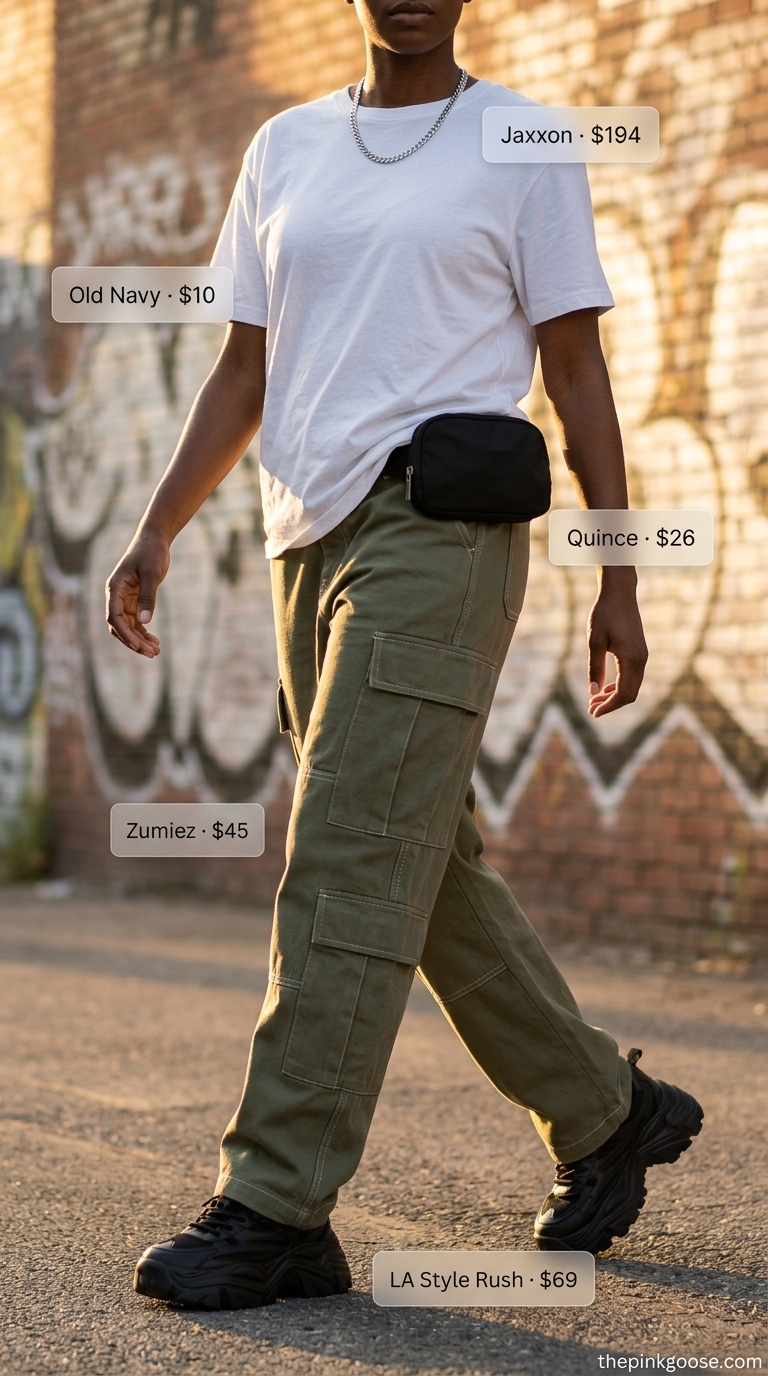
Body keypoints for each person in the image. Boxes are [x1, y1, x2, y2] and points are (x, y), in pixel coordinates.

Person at [106, 0, 703, 1312]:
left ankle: (275, 1202)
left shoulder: (525, 142)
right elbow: (242, 371)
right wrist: (154, 529)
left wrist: (618, 570)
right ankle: (607, 1117)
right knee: (411, 861)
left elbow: (577, 365)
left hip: (441, 528)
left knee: (343, 854)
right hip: (300, 542)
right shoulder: (284, 149)